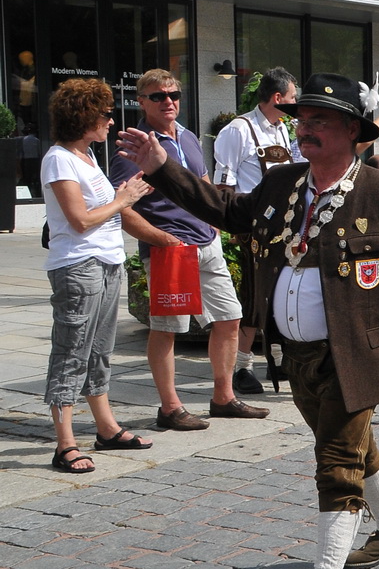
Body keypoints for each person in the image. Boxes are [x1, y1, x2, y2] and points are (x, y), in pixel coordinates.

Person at [117, 74, 379, 569]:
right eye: (302, 118)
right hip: (296, 356)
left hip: (356, 355)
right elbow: (224, 207)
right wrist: (161, 168)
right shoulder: (283, 182)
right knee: (348, 444)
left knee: (336, 463)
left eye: (319, 120)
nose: (305, 127)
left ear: (352, 132)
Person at [110, 69, 267, 432]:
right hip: (170, 249)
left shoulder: (188, 136)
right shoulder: (136, 146)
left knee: (229, 318)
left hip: (206, 242)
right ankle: (170, 407)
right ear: (141, 102)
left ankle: (223, 398)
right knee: (168, 329)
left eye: (174, 94)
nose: (169, 101)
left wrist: (216, 220)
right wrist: (162, 239)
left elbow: (203, 182)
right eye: (158, 96)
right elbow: (122, 207)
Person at [42, 80, 154, 474]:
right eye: (105, 114)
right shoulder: (60, 159)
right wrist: (123, 199)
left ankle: (106, 429)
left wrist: (123, 198)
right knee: (71, 352)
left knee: (98, 352)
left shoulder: (86, 157)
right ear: (83, 116)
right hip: (78, 266)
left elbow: (100, 211)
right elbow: (79, 220)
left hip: (106, 263)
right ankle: (65, 444)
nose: (110, 121)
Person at [214, 67, 299, 395]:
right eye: (292, 98)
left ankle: (276, 358)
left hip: (283, 224)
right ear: (277, 98)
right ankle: (241, 367)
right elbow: (224, 182)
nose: (294, 104)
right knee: (254, 298)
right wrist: (233, 224)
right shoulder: (239, 130)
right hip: (253, 228)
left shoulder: (281, 130)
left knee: (280, 294)